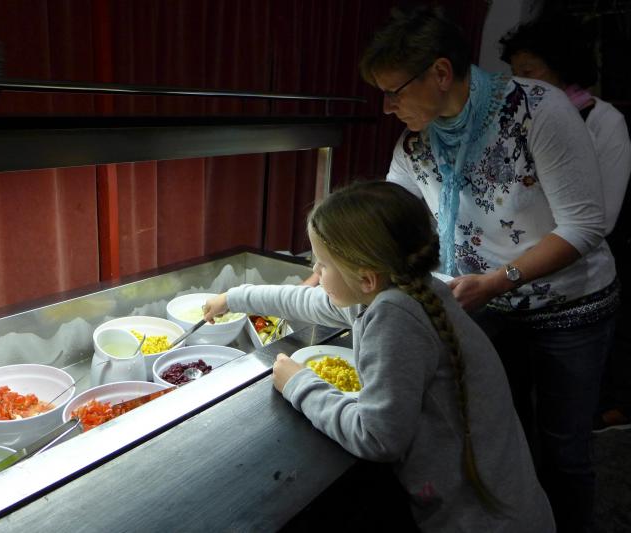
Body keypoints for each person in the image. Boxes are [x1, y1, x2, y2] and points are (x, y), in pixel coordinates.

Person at [358, 6, 619, 532]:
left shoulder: (536, 109)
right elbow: (390, 217)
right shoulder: (416, 140)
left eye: (394, 92)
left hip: (567, 306)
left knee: (564, 448)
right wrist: (338, 258)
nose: (387, 107)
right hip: (481, 305)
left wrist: (500, 281)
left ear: (440, 72)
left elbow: (586, 225)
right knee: (500, 438)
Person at [203, 181, 554, 532]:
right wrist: (233, 298)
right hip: (503, 503)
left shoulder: (394, 318)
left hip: (481, 521)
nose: (316, 276)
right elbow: (304, 301)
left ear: (367, 278)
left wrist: (297, 383)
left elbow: (377, 438)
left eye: (322, 266)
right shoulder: (409, 288)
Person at [499, 14, 631, 433]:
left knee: (565, 430)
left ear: (563, 69)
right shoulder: (515, 122)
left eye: (529, 72)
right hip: (513, 294)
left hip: (573, 292)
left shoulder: (603, 121)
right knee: (513, 418)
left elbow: (600, 220)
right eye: (514, 73)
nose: (519, 84)